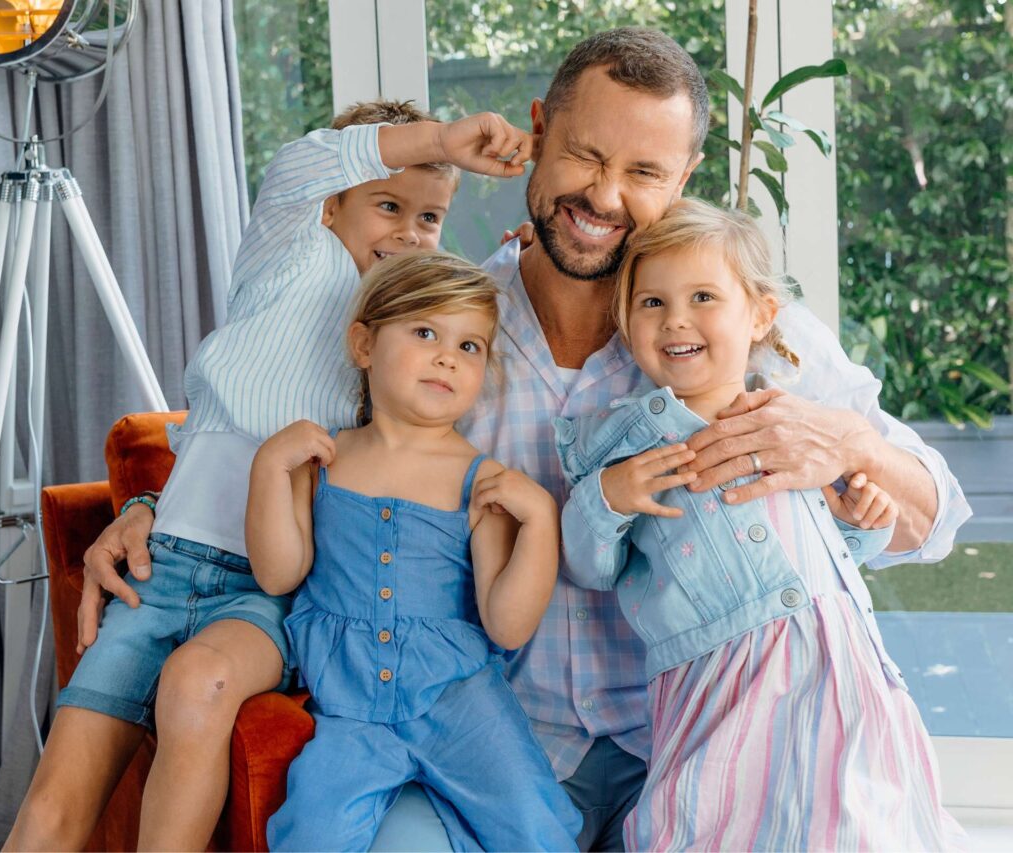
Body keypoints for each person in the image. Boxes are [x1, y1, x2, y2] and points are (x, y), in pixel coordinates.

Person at [68, 27, 970, 852]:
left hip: (707, 752)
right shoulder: (446, 329)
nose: (605, 196)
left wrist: (846, 442)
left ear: (683, 178)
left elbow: (934, 516)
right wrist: (157, 507)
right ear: (539, 129)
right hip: (494, 744)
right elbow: (298, 437)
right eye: (584, 153)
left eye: (645, 173)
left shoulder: (739, 335)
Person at [5, 102, 533, 851]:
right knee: (54, 804)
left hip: (270, 593)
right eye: (390, 205)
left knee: (199, 680)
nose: (410, 234)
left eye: (430, 218)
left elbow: (461, 325)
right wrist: (445, 142)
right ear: (335, 201)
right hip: (166, 567)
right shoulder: (292, 251)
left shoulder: (404, 343)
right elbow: (306, 162)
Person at [555, 198, 964, 851]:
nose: (675, 319)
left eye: (703, 297)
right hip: (719, 691)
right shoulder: (624, 444)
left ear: (762, 314)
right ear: (626, 324)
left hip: (837, 671)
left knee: (855, 824)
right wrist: (607, 496)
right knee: (709, 825)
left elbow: (829, 545)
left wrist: (864, 519)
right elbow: (588, 564)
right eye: (651, 303)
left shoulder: (795, 422)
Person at [247, 251, 582, 850]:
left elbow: (507, 625)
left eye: (471, 346)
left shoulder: (482, 481)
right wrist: (269, 467)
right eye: (425, 332)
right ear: (364, 345)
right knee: (311, 833)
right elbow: (278, 575)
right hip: (349, 704)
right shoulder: (322, 459)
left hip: (461, 701)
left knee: (537, 825)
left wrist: (540, 523)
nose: (447, 356)